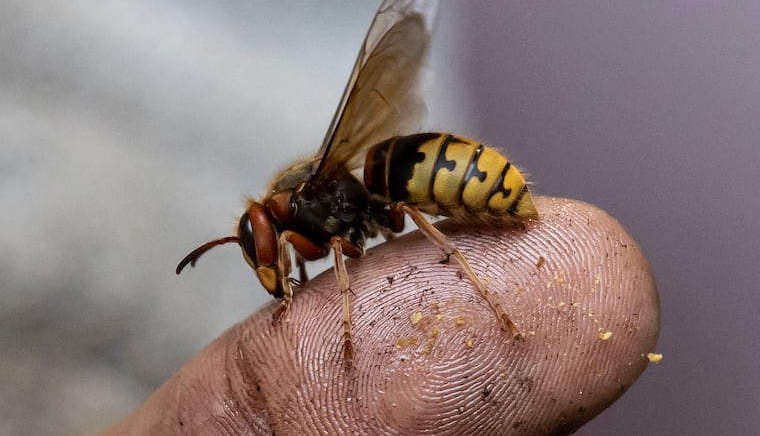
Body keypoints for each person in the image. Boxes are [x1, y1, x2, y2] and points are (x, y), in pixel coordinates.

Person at [106, 196, 659, 434]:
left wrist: (346, 321)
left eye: (262, 246)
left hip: (428, 181)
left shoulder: (323, 208)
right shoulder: (302, 228)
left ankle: (474, 276)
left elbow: (348, 244)